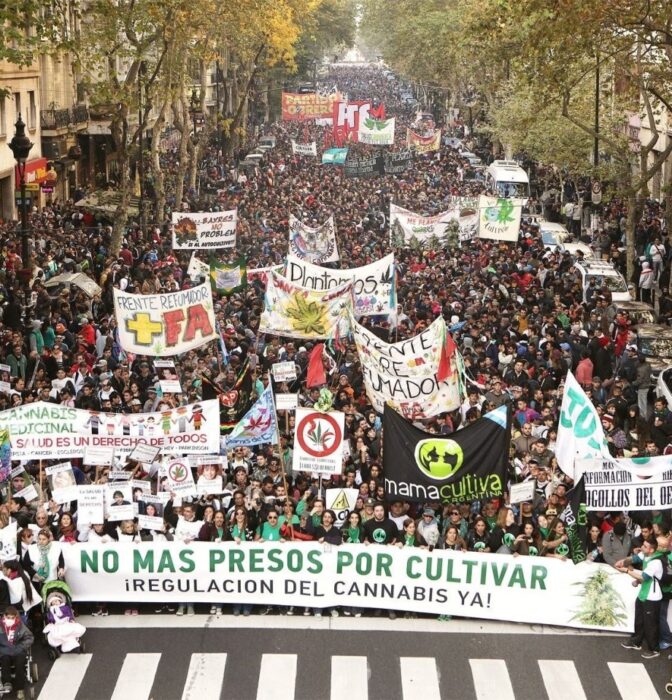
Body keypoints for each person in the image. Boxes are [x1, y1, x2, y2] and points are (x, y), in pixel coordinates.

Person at [617, 536, 664, 658]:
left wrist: (627, 571)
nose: (642, 547)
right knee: (639, 620)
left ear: (651, 550)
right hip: (643, 594)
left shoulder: (655, 562)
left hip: (652, 597)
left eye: (645, 546)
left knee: (650, 625)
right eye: (643, 545)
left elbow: (644, 577)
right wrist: (623, 562)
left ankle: (654, 649)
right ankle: (636, 642)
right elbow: (634, 558)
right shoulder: (646, 555)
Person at [0, 606, 33, 699]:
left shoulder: (20, 626)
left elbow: (30, 637)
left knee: (20, 664)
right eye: (8, 617)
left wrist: (21, 647)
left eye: (12, 618)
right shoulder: (0, 627)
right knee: (4, 660)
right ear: (4, 616)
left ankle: (20, 689)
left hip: (18, 650)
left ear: (16, 617)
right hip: (4, 651)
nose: (10, 620)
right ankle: (7, 682)